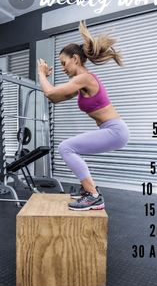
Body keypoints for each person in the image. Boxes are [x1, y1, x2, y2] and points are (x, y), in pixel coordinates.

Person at [37, 20, 130, 211]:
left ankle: (94, 195)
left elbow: (50, 92)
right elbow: (55, 98)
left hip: (115, 130)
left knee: (66, 147)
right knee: (69, 148)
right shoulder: (81, 84)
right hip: (111, 129)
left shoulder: (84, 78)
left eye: (64, 63)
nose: (63, 68)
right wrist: (47, 81)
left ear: (75, 59)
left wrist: (41, 74)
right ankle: (89, 191)